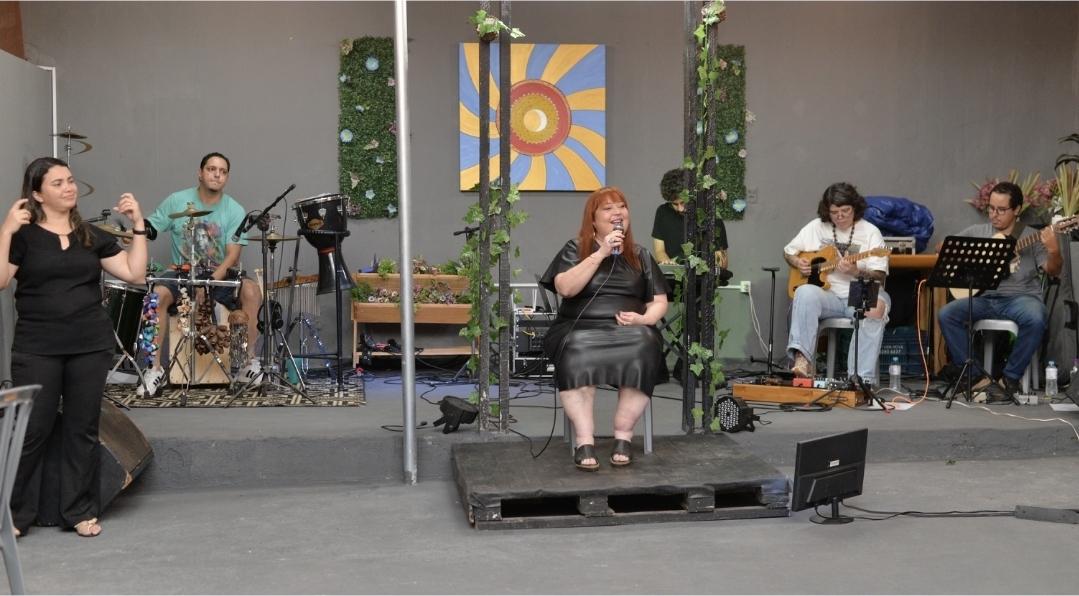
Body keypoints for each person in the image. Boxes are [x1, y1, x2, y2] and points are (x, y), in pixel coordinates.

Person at [0, 157, 147, 537]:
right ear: (37, 194)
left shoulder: (90, 235)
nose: (69, 187)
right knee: (32, 429)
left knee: (82, 429)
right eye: (58, 183)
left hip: (89, 345)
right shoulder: (23, 236)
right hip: (37, 347)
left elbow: (134, 273)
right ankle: (14, 516)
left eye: (70, 180)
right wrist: (6, 230)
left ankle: (79, 511)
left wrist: (138, 226)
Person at [539, 187, 670, 470]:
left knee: (644, 342)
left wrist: (644, 319)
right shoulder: (575, 249)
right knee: (578, 346)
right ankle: (584, 440)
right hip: (577, 328)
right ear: (593, 219)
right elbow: (565, 288)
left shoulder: (641, 255)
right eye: (608, 208)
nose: (617, 213)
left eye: (621, 207)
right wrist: (601, 253)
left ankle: (624, 435)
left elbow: (659, 302)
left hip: (631, 329)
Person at [138, 152, 261, 396]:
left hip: (219, 275)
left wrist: (209, 283)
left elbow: (232, 257)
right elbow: (151, 227)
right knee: (156, 296)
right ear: (200, 173)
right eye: (211, 169)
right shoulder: (177, 200)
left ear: (226, 177)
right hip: (181, 274)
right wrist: (133, 231)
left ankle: (246, 363)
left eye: (223, 171)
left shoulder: (234, 210)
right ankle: (155, 370)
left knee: (251, 290)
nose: (217, 174)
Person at [936, 181, 1061, 402]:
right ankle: (976, 376)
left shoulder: (1032, 237)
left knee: (1036, 316)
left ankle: (1010, 377)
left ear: (1016, 209)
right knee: (947, 314)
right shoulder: (978, 231)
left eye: (1001, 210)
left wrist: (1053, 250)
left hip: (1021, 299)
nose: (994, 215)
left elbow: (1054, 270)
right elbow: (942, 247)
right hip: (984, 299)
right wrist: (974, 256)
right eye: (991, 208)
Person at [783, 182, 890, 384]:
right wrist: (797, 262)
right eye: (834, 212)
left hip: (859, 289)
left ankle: (859, 379)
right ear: (827, 211)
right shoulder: (816, 227)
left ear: (855, 208)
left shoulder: (871, 232)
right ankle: (803, 360)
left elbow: (879, 277)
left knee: (875, 307)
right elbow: (788, 252)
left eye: (845, 211)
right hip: (828, 294)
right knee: (804, 292)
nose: (840, 217)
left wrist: (855, 271)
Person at [651, 168, 729, 268]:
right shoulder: (663, 212)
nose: (680, 209)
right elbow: (659, 251)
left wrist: (702, 268)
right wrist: (667, 262)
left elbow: (722, 262)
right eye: (675, 204)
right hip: (671, 275)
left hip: (702, 275)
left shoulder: (711, 216)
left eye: (683, 203)